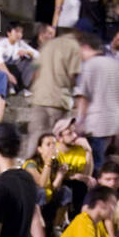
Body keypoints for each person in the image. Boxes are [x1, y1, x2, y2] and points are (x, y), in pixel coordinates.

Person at [27, 28, 84, 160]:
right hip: (58, 100)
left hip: (39, 97)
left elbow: (35, 70)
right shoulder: (74, 47)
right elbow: (72, 75)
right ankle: (49, 172)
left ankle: (30, 168)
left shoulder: (47, 45)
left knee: (35, 138)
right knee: (54, 139)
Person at [73, 32, 119, 168]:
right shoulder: (115, 64)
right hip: (115, 120)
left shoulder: (89, 66)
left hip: (96, 122)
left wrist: (79, 121)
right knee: (104, 159)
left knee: (95, 162)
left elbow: (83, 96)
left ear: (85, 47)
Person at [0, 21, 39, 96]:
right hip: (2, 69)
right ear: (9, 33)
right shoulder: (2, 44)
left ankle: (23, 88)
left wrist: (26, 52)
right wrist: (9, 75)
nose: (19, 34)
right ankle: (7, 88)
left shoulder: (20, 43)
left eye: (21, 32)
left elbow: (38, 55)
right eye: (16, 31)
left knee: (32, 62)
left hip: (14, 69)